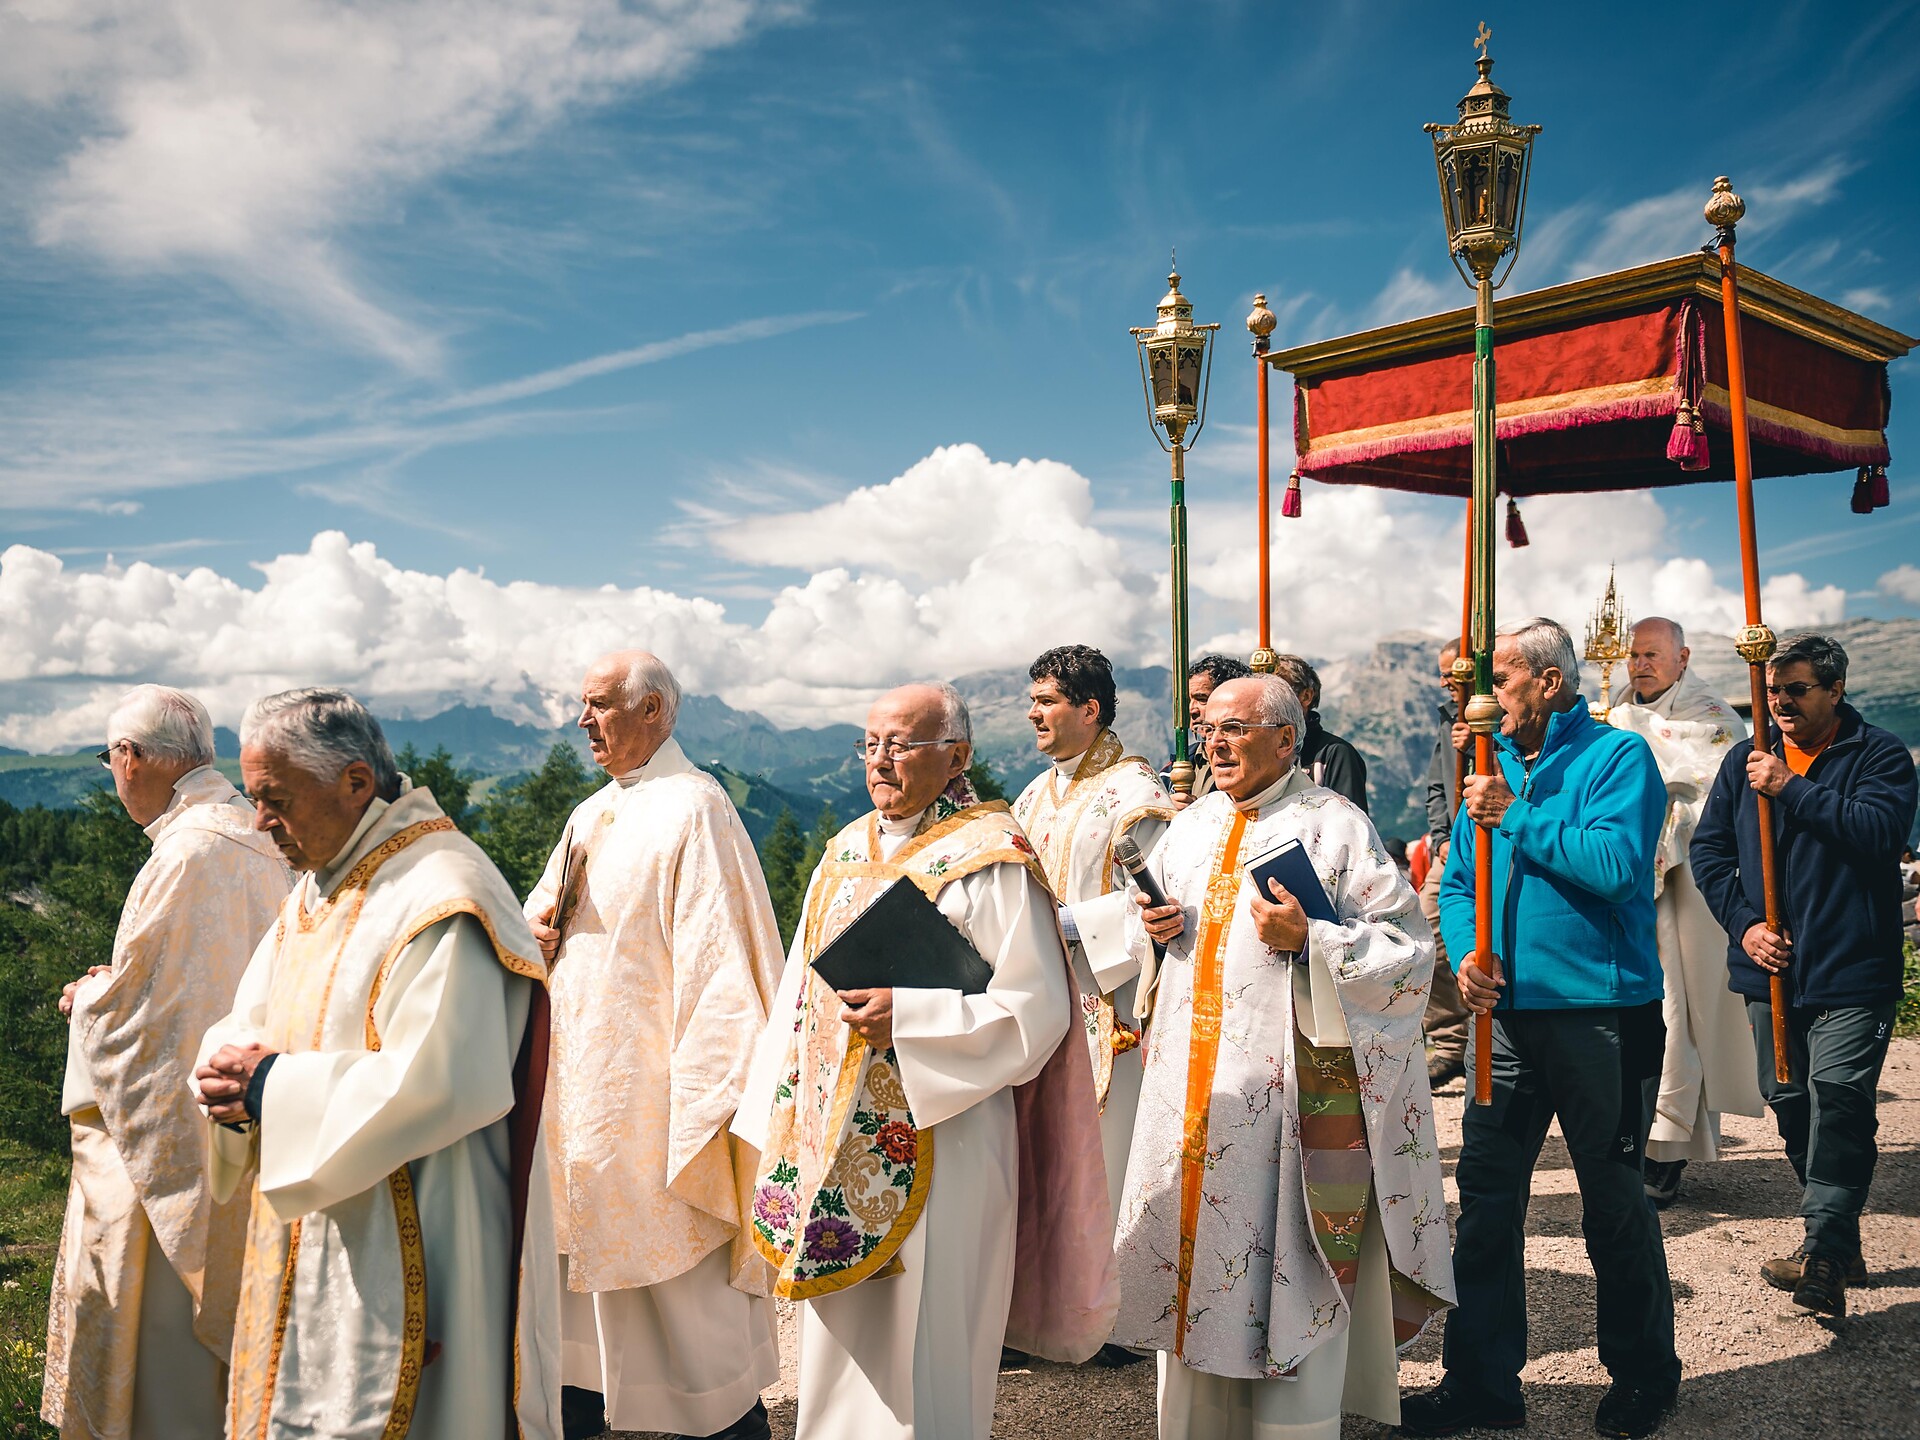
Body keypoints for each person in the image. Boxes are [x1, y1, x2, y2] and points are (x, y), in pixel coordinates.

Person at [733, 682, 1114, 1440]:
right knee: (839, 1342)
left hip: (950, 1137)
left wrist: (910, 1016)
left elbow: (1034, 1013)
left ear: (958, 756)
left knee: (931, 1344)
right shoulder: (844, 851)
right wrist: (771, 1112)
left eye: (902, 744)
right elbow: (797, 997)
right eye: (871, 744)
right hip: (834, 1135)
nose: (881, 761)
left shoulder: (992, 859)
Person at [192, 688, 562, 1440]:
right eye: (256, 798)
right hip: (313, 1217)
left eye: (275, 799)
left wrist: (270, 1086)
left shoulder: (444, 894)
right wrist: (225, 1074)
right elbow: (252, 1015)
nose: (262, 822)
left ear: (357, 782)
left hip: (422, 1220)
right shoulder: (318, 887)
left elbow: (444, 1080)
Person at [1114, 673, 1451, 1440]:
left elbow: (1409, 955)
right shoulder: (1192, 823)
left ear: (1286, 739)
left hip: (1287, 1110)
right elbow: (1161, 945)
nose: (1216, 743)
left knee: (1280, 1275)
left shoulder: (1337, 828)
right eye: (1210, 730)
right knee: (1192, 1283)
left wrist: (1316, 940)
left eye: (1236, 729)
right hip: (1188, 1102)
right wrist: (1155, 931)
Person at [1403, 618, 1679, 1440]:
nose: (1483, 701)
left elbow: (1616, 868)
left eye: (1502, 681)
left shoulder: (1616, 759)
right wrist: (1466, 955)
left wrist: (1514, 815)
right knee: (1488, 1204)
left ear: (1549, 684)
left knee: (1613, 1205)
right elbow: (1457, 881)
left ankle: (1643, 1376)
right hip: (1507, 1023)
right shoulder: (1489, 771)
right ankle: (1483, 1380)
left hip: (1603, 1016)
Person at [525, 651, 785, 1440]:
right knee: (573, 1324)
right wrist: (529, 940)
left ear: (655, 713)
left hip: (653, 1103)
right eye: (582, 704)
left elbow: (723, 969)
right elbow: (543, 922)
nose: (582, 722)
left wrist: (704, 1106)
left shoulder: (695, 810)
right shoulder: (589, 813)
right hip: (580, 1099)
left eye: (600, 704)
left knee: (687, 1325)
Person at [42, 686, 292, 1440]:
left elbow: (143, 1020)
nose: (114, 776)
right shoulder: (257, 829)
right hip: (254, 1109)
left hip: (173, 1139)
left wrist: (87, 999)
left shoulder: (186, 852)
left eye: (110, 758)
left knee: (160, 1348)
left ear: (133, 757)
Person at [1691, 632, 1919, 1318]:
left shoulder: (1879, 755)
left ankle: (1822, 1253)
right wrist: (1746, 926)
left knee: (1840, 1097)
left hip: (1854, 965)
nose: (1781, 702)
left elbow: (1879, 834)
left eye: (1796, 689)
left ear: (1836, 690)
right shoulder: (1745, 761)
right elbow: (1710, 854)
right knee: (1789, 1102)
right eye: (1773, 690)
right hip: (1773, 972)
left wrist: (1790, 787)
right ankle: (1839, 1239)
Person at [1011, 644, 1173, 1366]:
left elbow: (1162, 905)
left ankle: (1114, 1321)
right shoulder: (1034, 793)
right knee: (1041, 1158)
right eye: (1033, 699)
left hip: (1111, 1006)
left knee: (1103, 1163)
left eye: (1046, 700)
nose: (1033, 713)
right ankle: (1043, 1314)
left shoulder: (1136, 796)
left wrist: (1067, 926)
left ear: (1090, 709)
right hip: (1045, 997)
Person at [1607, 617, 1761, 1208]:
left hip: (1687, 869)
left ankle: (1665, 1146)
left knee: (1682, 1003)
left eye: (1652, 654)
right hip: (1629, 866)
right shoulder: (1615, 707)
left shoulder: (1714, 717)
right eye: (1634, 655)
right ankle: (1654, 1135)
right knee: (1648, 1002)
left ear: (1683, 657)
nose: (1639, 664)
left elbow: (1708, 785)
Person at [1419, 638, 1472, 1088]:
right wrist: (1441, 836)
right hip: (1454, 847)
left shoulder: (1502, 716)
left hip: (1499, 839)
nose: (1443, 683)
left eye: (1451, 675)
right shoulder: (1448, 720)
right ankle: (1451, 1042)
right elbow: (1438, 785)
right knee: (1423, 929)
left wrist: (1478, 746)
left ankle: (1482, 1042)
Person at [1269, 653, 1368, 811]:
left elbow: (1351, 823)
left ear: (1306, 696)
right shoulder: (1261, 749)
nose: (1269, 702)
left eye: (1279, 692)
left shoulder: (1336, 754)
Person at [1176, 654, 1252, 807]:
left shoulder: (1251, 763)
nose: (1191, 710)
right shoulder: (1177, 765)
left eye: (1202, 699)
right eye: (1188, 700)